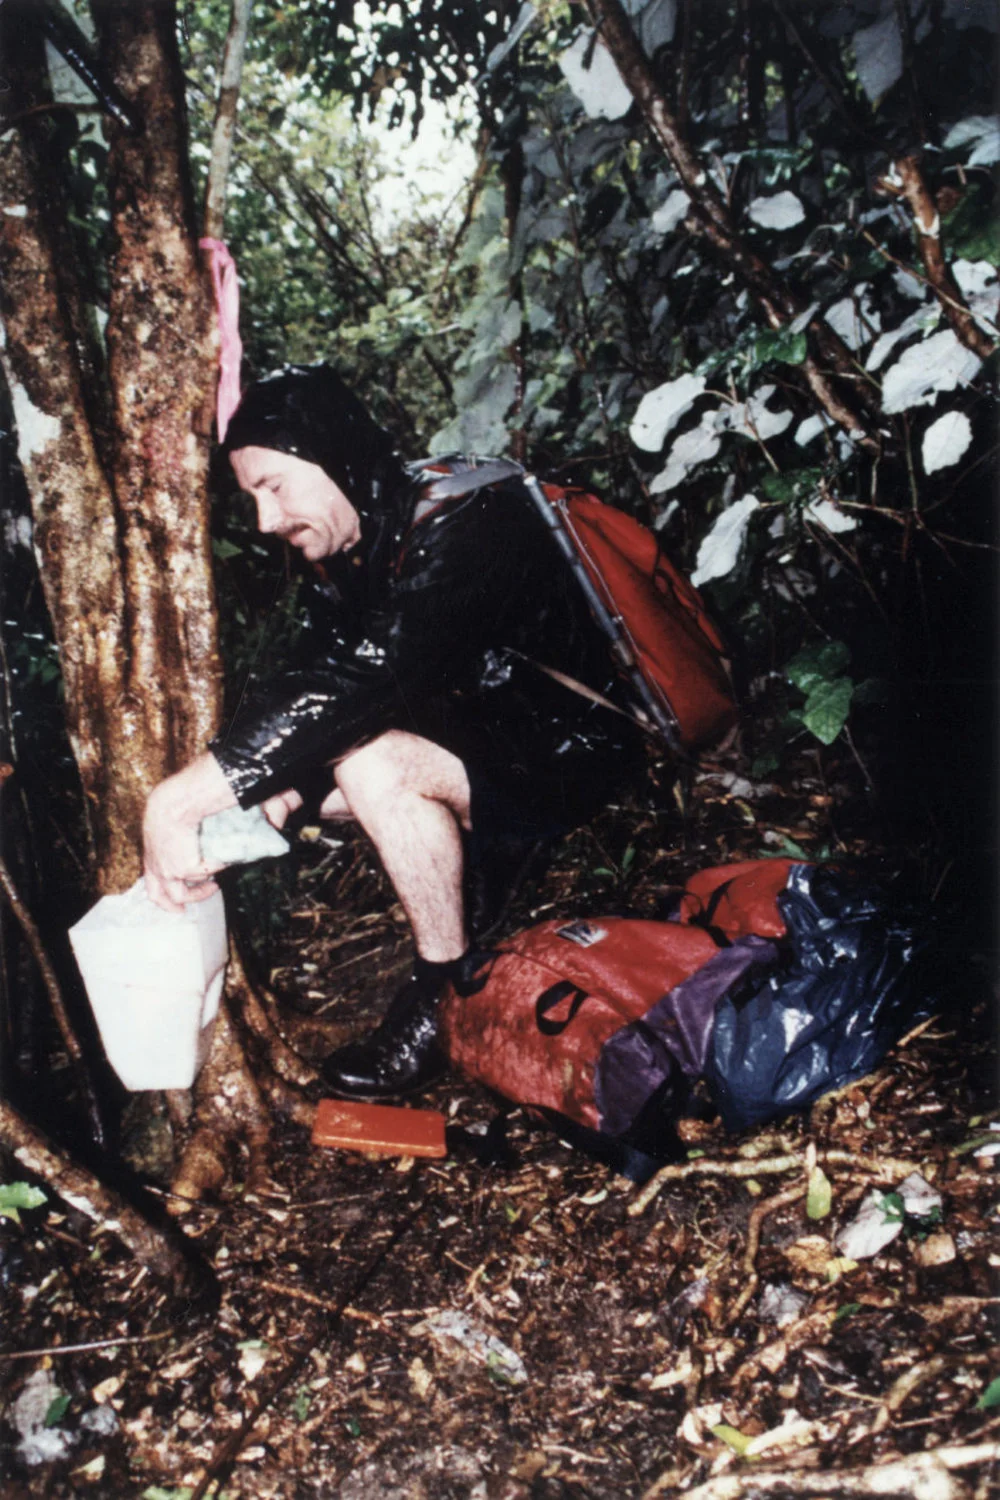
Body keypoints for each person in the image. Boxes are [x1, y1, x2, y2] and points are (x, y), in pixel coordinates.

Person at [142, 364, 646, 1099]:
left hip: (573, 748)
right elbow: (327, 687)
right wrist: (277, 791)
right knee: (275, 789)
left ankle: (446, 992)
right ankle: (470, 871)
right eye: (250, 496)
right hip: (488, 731)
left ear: (333, 453)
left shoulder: (468, 525)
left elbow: (366, 679)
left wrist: (176, 801)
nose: (264, 520)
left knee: (376, 770)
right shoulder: (351, 548)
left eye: (274, 486)